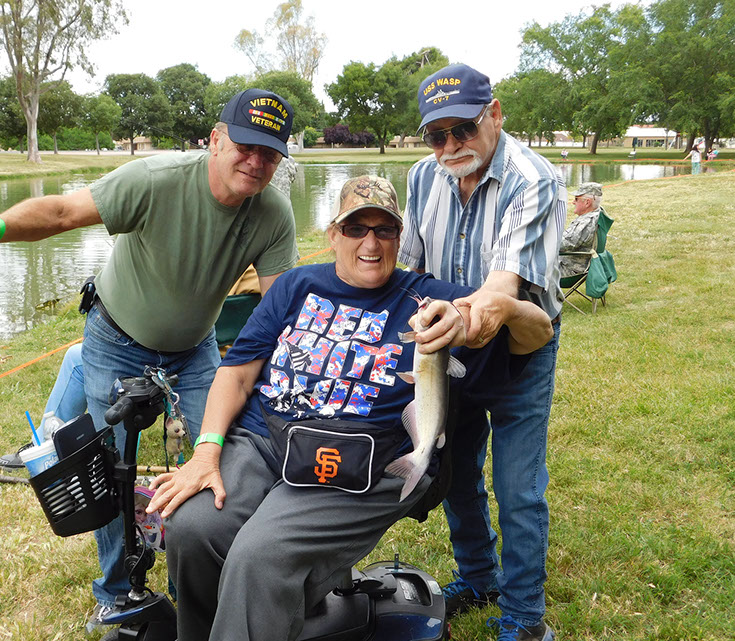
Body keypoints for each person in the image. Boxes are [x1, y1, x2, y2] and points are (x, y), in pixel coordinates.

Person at [0, 88, 300, 629]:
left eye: (270, 153)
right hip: (115, 336)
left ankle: (193, 583)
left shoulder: (272, 212)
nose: (256, 162)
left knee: (216, 458)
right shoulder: (154, 180)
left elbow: (275, 316)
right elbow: (64, 211)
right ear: (216, 139)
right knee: (108, 469)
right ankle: (113, 591)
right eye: (246, 146)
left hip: (198, 348)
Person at [146, 175, 555, 641]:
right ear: (334, 234)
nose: (371, 242)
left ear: (400, 238)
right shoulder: (295, 285)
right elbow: (237, 372)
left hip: (356, 459)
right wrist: (206, 451)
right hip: (263, 440)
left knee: (262, 556)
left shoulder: (433, 299)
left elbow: (537, 334)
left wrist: (503, 307)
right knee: (192, 527)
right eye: (356, 227)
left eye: (385, 230)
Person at [398, 63, 566, 641]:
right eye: (436, 135)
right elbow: (414, 271)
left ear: (494, 114)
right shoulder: (422, 177)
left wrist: (454, 316)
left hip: (520, 339)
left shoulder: (533, 179)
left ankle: (523, 617)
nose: (449, 147)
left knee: (518, 487)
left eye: (462, 130)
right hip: (447, 346)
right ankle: (478, 577)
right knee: (456, 469)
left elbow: (499, 297)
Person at [559, 182, 605, 279]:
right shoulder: (596, 214)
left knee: (527, 265)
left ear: (587, 202)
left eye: (576, 199)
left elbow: (564, 245)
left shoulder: (586, 222)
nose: (573, 202)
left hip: (569, 269)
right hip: (568, 263)